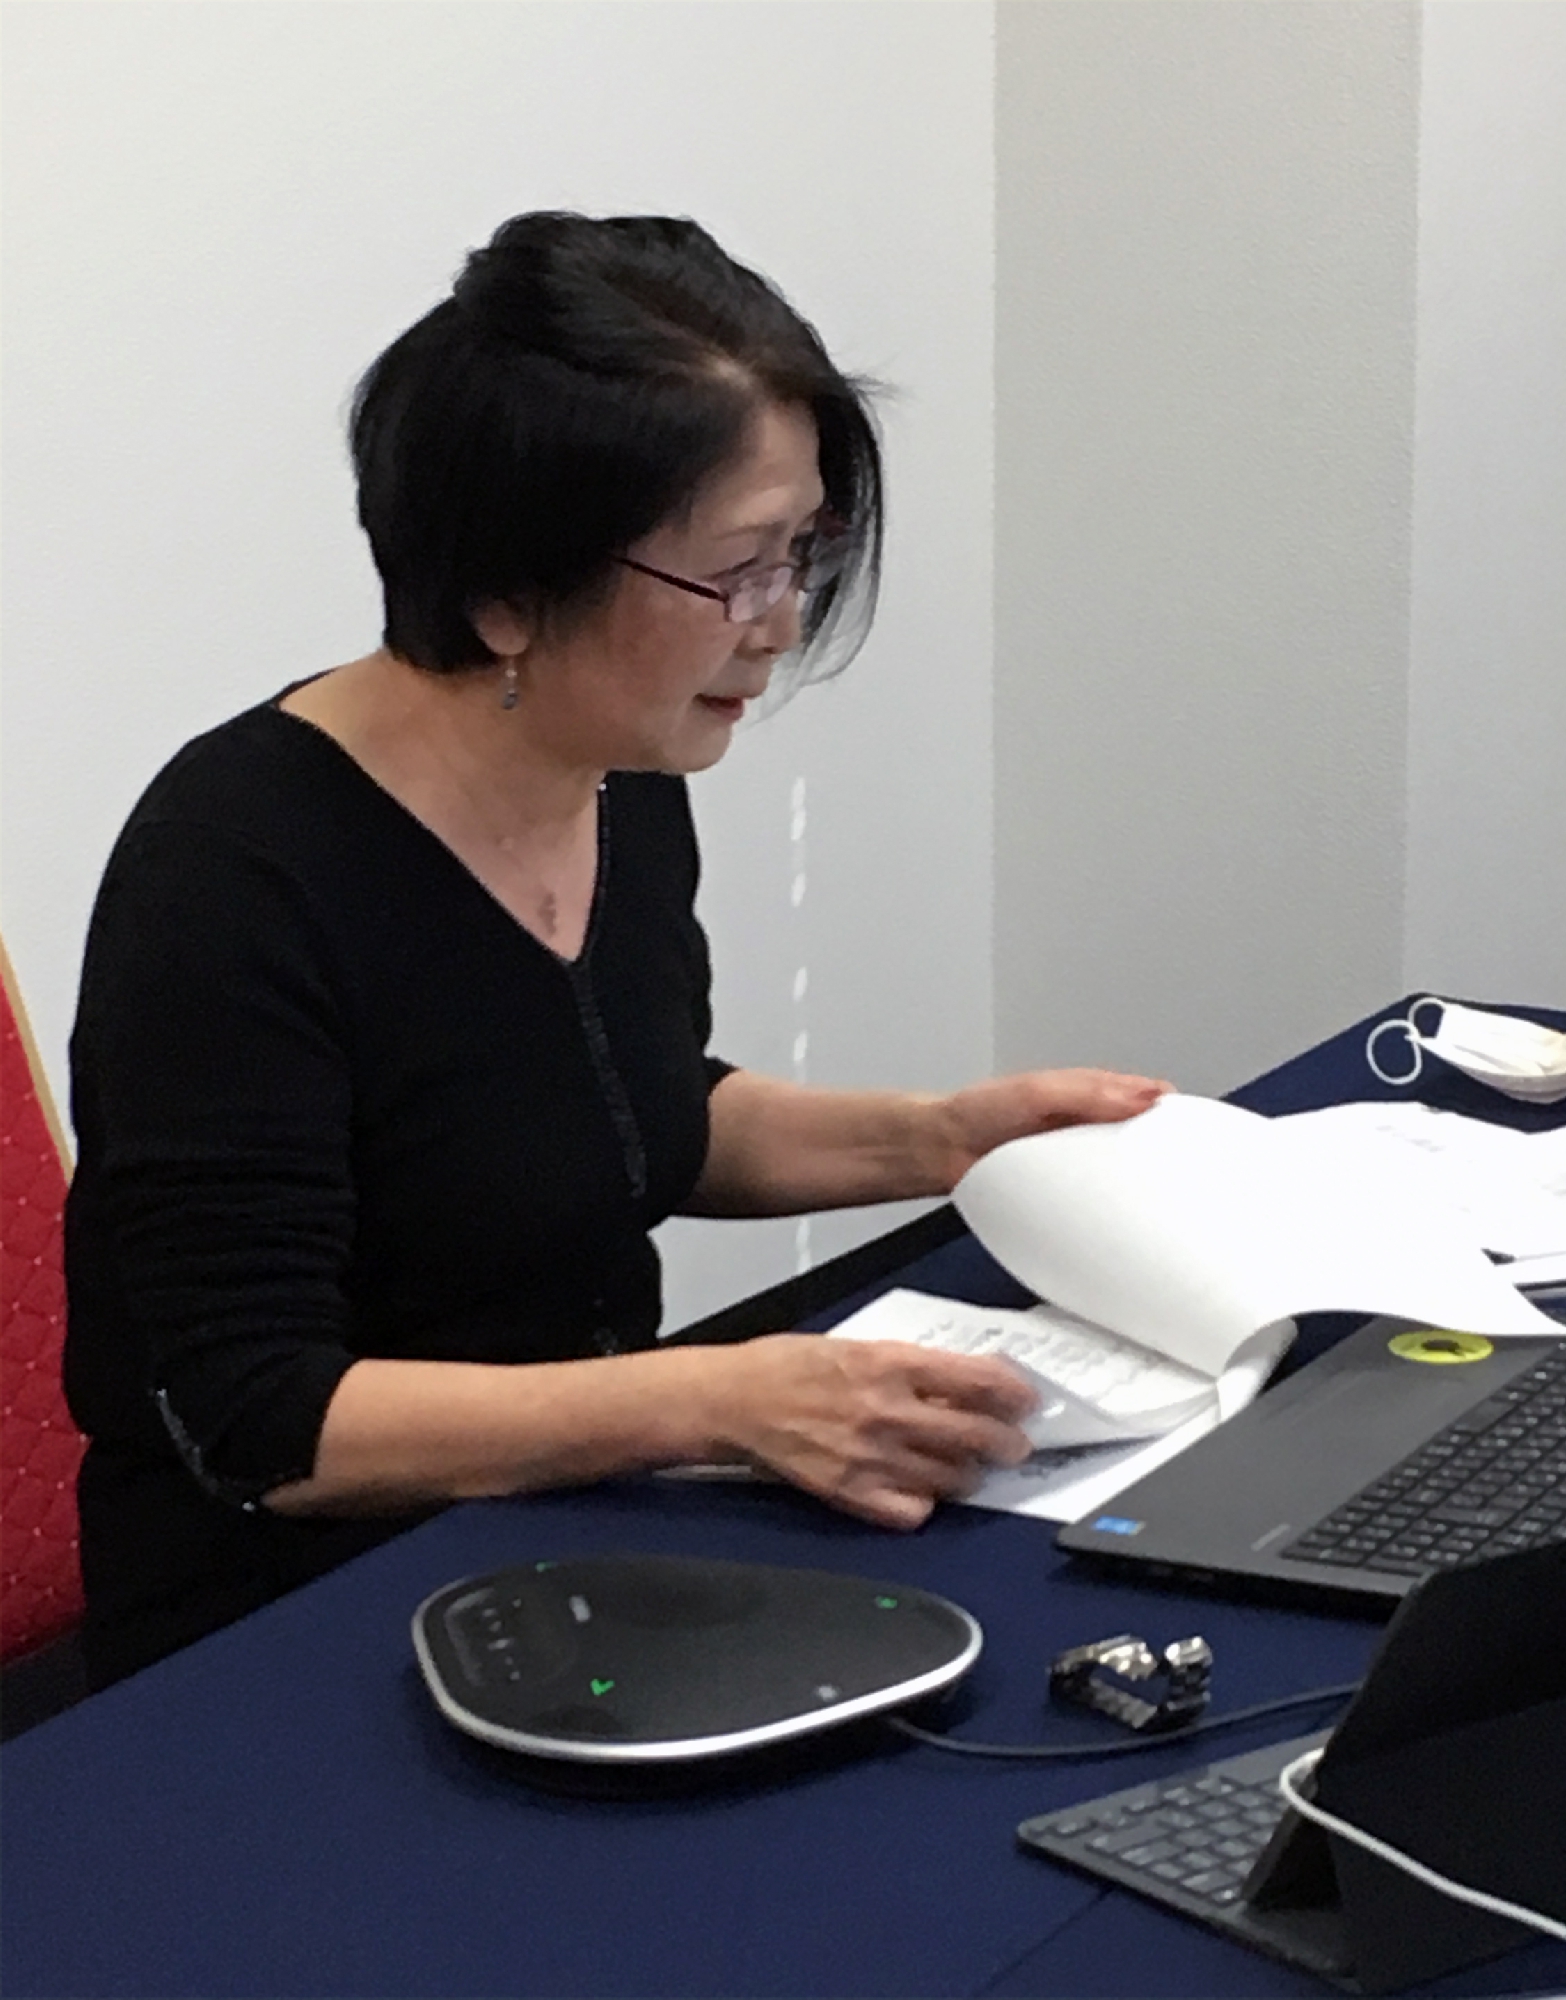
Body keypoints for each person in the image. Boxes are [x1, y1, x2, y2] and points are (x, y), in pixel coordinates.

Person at [62, 211, 1166, 1689]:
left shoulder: (617, 774)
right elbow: (262, 1422)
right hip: (285, 1623)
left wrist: (950, 1140)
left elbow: (619, 1109)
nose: (778, 628)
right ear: (507, 592)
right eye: (738, 572)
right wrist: (714, 1403)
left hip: (574, 1531)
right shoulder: (234, 873)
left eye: (802, 556)